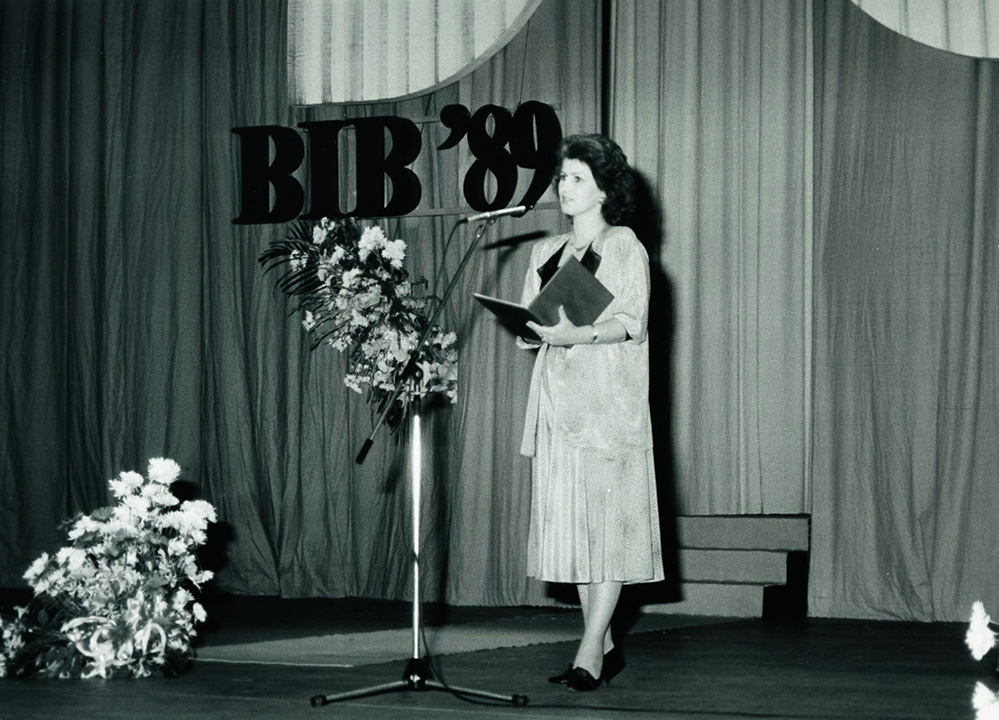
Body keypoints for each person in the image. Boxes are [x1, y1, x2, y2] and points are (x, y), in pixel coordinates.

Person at [517, 134, 664, 692]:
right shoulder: (545, 253)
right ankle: (599, 644)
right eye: (563, 177)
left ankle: (589, 651)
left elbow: (631, 322)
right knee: (579, 535)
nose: (565, 186)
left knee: (606, 533)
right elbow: (532, 324)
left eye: (578, 177)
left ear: (604, 190)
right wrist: (528, 330)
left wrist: (575, 334)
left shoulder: (624, 245)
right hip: (559, 407)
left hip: (608, 407)